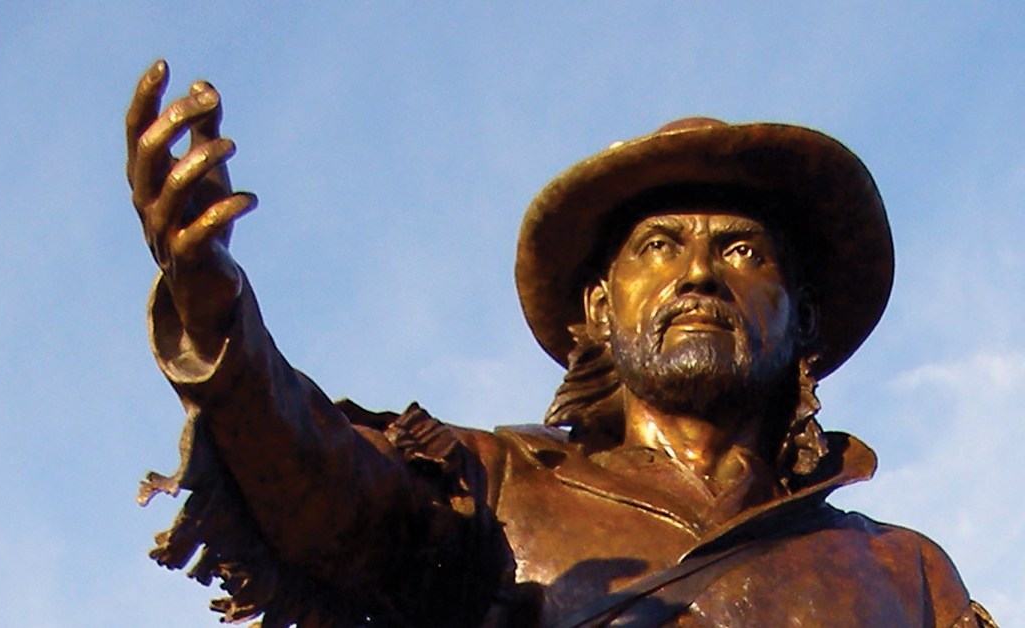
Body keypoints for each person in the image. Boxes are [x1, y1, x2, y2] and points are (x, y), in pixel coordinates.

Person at [125, 60, 996, 627]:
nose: (698, 274)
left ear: (802, 315)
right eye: (659, 247)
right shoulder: (499, 485)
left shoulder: (905, 572)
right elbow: (327, 492)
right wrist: (217, 319)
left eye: (741, 249)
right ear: (598, 307)